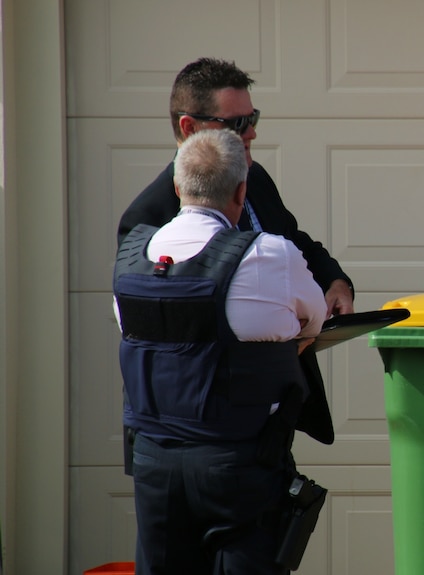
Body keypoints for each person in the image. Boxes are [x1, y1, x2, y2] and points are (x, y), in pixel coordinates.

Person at [113, 129, 328, 573]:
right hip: (239, 465)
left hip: (153, 464)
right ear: (241, 190)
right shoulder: (270, 254)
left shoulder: (133, 255)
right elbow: (314, 318)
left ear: (177, 188)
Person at [117, 57, 352, 451]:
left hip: (267, 419)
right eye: (237, 123)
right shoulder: (146, 221)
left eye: (253, 116)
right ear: (189, 128)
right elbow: (162, 336)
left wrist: (334, 280)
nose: (253, 132)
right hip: (192, 432)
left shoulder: (253, 178)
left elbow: (294, 240)